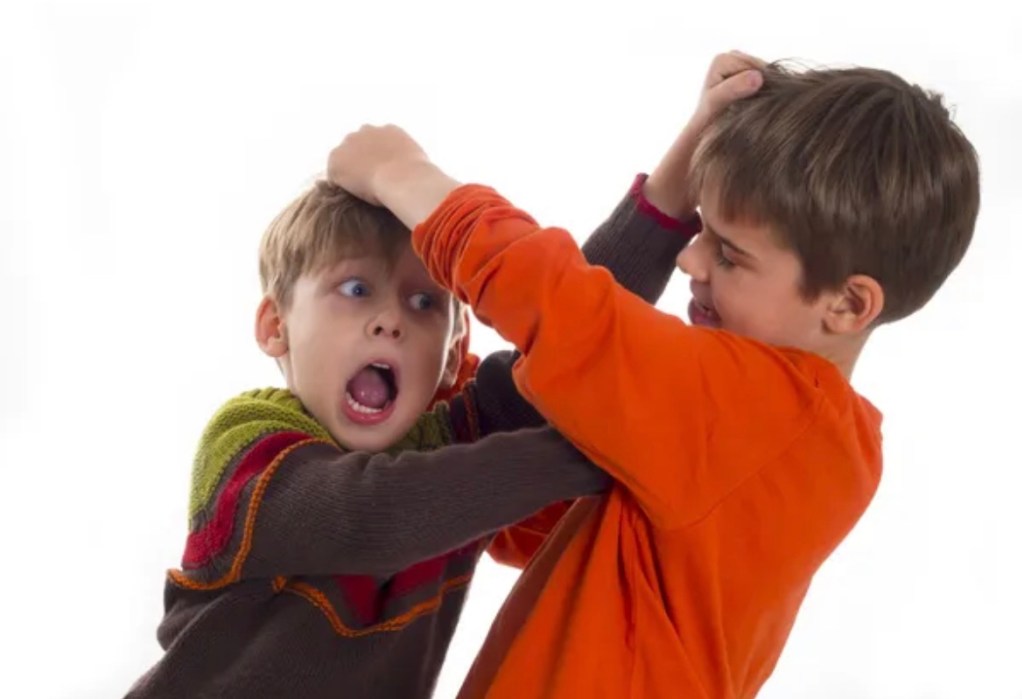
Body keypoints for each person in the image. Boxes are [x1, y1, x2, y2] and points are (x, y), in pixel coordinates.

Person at [326, 50, 979, 698]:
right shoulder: (787, 442)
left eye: (730, 254)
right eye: (701, 231)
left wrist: (399, 173)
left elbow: (570, 311)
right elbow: (536, 516)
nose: (691, 259)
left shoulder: (759, 414)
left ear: (848, 304)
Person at [125, 126, 715, 696]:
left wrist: (674, 186)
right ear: (276, 325)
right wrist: (606, 447)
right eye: (356, 290)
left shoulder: (450, 444)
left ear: (451, 352)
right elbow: (368, 515)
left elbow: (572, 340)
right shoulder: (247, 442)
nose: (390, 320)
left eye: (423, 301)